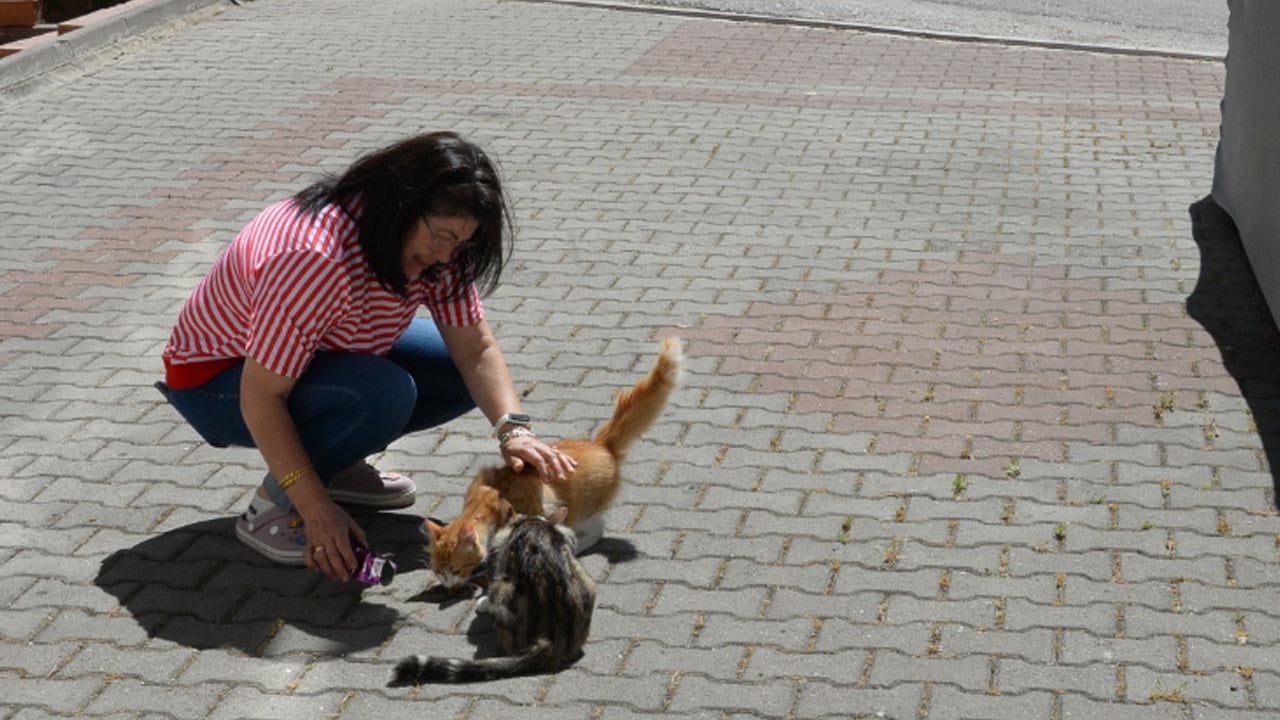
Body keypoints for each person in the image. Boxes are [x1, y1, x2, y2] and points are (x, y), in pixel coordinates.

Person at [158, 132, 577, 580]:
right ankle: (271, 510)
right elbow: (260, 397)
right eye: (442, 237)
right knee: (383, 394)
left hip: (306, 357)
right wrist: (316, 509)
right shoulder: (315, 257)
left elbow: (475, 348)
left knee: (452, 371)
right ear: (401, 206)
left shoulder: (440, 249)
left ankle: (336, 464)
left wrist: (514, 432)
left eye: (462, 244)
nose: (446, 256)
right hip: (219, 383)